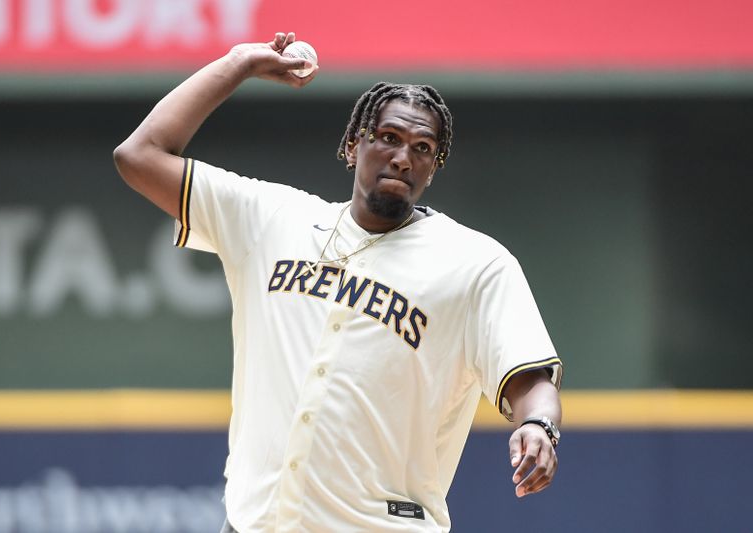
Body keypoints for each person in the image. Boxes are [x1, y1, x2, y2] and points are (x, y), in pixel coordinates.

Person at [114, 32, 563, 533]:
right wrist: (237, 64)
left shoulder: (476, 263)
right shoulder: (272, 219)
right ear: (354, 145)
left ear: (432, 170)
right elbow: (140, 155)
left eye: (422, 148)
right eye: (389, 138)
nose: (402, 158)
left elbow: (531, 382)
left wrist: (537, 425)